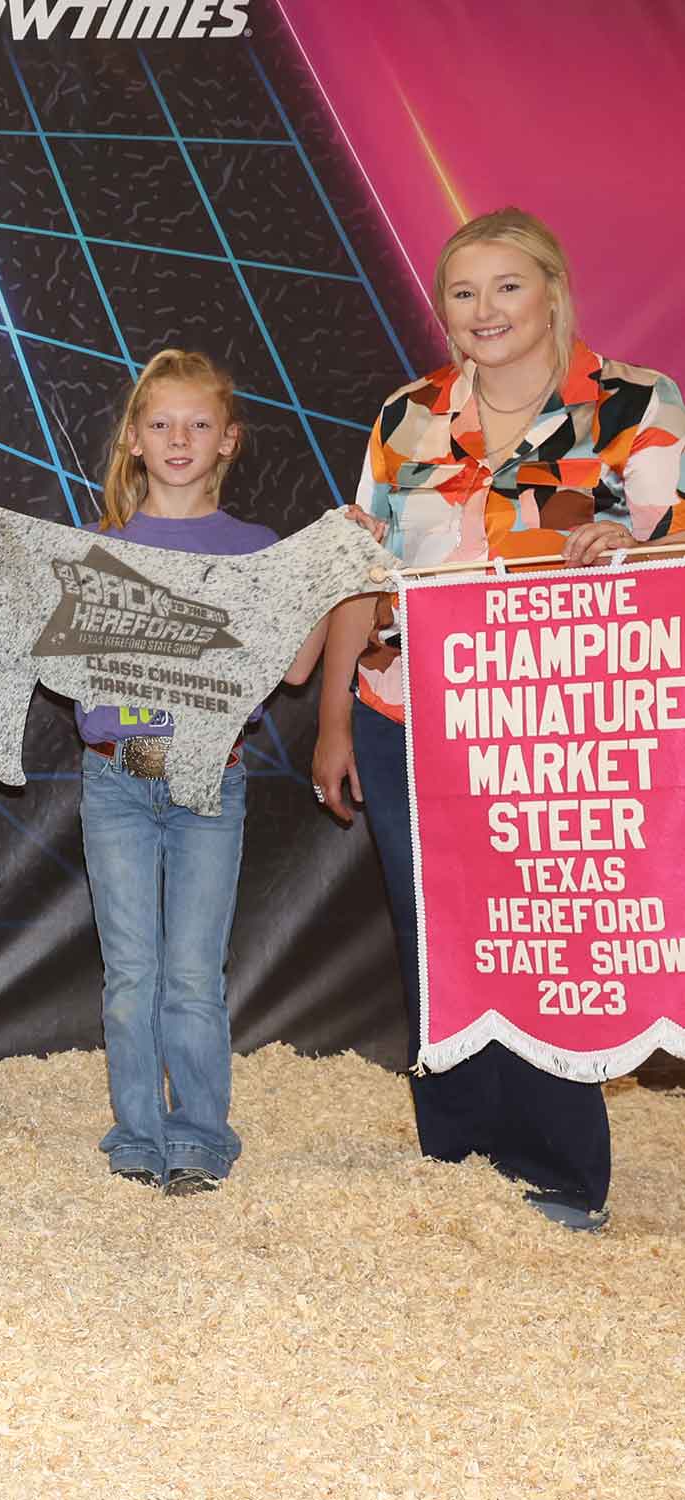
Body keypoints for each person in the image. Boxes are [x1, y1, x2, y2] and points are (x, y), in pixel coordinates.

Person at [313, 206, 685, 1232]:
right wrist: (335, 722)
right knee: (438, 932)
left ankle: (561, 1171)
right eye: (463, 293)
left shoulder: (636, 404)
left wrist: (624, 543)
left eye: (507, 286)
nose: (485, 311)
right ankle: (460, 1156)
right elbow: (362, 570)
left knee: (547, 931)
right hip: (410, 713)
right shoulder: (407, 418)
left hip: (560, 716)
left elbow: (673, 557)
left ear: (554, 292)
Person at [0, 351, 326, 1196]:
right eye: (160, 423)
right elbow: (11, 629)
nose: (178, 438)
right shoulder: (96, 549)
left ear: (228, 441)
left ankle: (199, 1138)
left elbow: (300, 667)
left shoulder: (254, 550)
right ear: (132, 440)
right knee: (131, 969)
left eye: (199, 424)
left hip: (211, 779)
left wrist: (321, 574)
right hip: (115, 780)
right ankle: (137, 1135)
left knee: (194, 971)